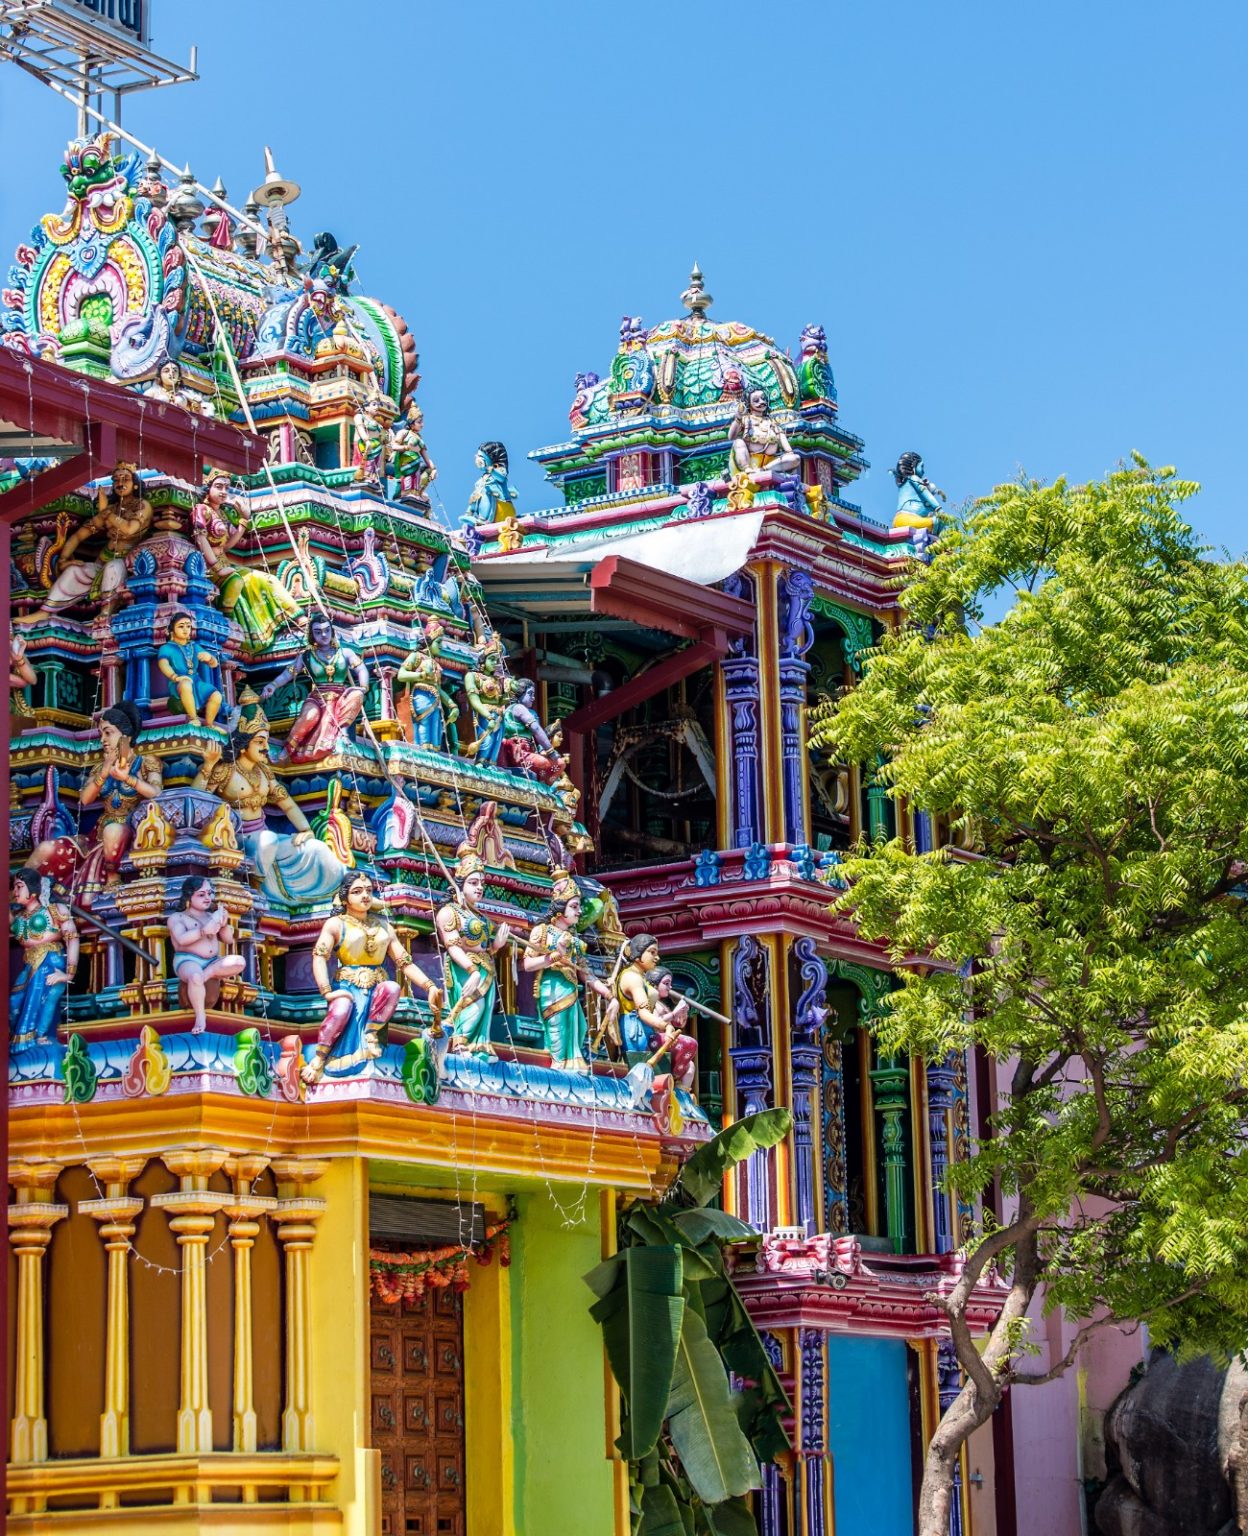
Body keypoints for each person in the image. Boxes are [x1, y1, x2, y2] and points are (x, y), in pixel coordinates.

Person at [304, 871, 442, 1084]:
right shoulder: (336, 924)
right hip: (347, 986)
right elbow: (319, 956)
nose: (365, 896)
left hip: (376, 988)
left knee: (393, 988)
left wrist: (430, 986)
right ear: (345, 896)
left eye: (369, 891)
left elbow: (404, 962)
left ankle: (371, 1034)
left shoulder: (383, 926)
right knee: (341, 1010)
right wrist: (327, 992)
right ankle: (320, 1059)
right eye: (357, 892)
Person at [192, 717, 346, 908]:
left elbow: (287, 804)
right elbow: (196, 801)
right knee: (268, 841)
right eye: (259, 742)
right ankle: (258, 892)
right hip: (238, 839)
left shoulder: (264, 772)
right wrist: (208, 765)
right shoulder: (224, 771)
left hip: (264, 835)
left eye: (266, 741)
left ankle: (336, 893)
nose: (265, 746)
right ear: (243, 745)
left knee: (316, 848)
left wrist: (306, 830)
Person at [30, 701, 162, 903]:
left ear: (125, 736)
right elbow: (84, 799)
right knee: (46, 849)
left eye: (108, 733)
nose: (103, 740)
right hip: (98, 834)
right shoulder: (99, 768)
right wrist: (105, 770)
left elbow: (156, 793)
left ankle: (112, 877)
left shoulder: (146, 762)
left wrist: (128, 779)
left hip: (132, 830)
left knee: (113, 831)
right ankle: (18, 895)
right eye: (101, 734)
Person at [23, 463, 153, 623]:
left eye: (125, 479)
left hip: (128, 563)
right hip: (104, 559)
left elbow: (129, 529)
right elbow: (79, 536)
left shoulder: (142, 505)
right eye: (116, 480)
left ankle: (106, 612)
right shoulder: (111, 509)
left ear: (135, 484)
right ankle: (46, 611)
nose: (120, 483)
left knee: (114, 568)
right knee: (74, 571)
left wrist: (106, 514)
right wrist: (64, 559)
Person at [191, 470, 301, 651]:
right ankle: (226, 622)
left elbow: (227, 546)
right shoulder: (201, 510)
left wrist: (244, 520)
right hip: (206, 566)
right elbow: (200, 538)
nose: (223, 492)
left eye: (226, 488)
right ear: (208, 488)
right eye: (218, 487)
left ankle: (299, 619)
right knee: (235, 581)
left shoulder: (223, 514)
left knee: (268, 579)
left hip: (224, 562)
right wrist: (217, 567)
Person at [524, 876, 615, 1072]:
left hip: (572, 994)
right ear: (560, 907)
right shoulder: (542, 931)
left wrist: (608, 995)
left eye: (579, 906)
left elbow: (586, 974)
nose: (579, 911)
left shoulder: (574, 940)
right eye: (574, 906)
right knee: (557, 1033)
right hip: (552, 991)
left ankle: (570, 1069)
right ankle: (558, 1068)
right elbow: (528, 963)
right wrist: (551, 958)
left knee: (579, 1030)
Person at [260, 613, 368, 765]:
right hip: (318, 697)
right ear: (312, 635)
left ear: (332, 631)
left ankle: (343, 735)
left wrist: (363, 687)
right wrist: (273, 685)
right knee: (310, 715)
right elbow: (288, 673)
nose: (323, 635)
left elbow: (361, 669)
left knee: (356, 695)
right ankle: (289, 748)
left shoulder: (345, 653)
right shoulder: (307, 656)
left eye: (327, 630)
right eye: (318, 632)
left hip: (340, 696)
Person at [435, 851, 510, 1054]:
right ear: (460, 885)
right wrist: (472, 970)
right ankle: (460, 1044)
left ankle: (477, 1046)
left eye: (481, 884)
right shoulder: (449, 912)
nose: (479, 888)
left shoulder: (480, 916)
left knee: (485, 1008)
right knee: (473, 1008)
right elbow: (452, 946)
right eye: (473, 883)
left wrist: (496, 946)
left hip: (484, 968)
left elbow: (484, 947)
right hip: (465, 970)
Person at [9, 867, 77, 1052]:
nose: (15, 892)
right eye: (14, 887)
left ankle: (39, 1037)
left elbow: (72, 937)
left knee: (41, 998)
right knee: (13, 1004)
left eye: (19, 887)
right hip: (29, 964)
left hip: (50, 961)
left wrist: (68, 974)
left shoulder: (55, 910)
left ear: (32, 889)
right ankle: (19, 1039)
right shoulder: (18, 916)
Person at [168, 876, 246, 1033]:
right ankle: (200, 1018)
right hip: (188, 960)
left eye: (209, 894)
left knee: (239, 961)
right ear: (189, 896)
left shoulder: (211, 916)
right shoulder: (177, 918)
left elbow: (228, 940)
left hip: (212, 963)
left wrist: (223, 924)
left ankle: (205, 976)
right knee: (195, 977)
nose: (207, 898)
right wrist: (204, 931)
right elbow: (182, 940)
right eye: (201, 894)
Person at [396, 618, 460, 750]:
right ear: (429, 642)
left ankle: (433, 752)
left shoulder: (436, 664)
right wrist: (421, 675)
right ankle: (423, 749)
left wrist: (452, 705)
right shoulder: (417, 656)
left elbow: (438, 688)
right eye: (439, 642)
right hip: (421, 695)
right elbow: (401, 675)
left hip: (435, 697)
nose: (441, 646)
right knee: (424, 721)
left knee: (436, 724)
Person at [614, 932, 677, 1063]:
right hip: (635, 1030)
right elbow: (643, 1012)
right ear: (637, 953)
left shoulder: (641, 977)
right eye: (652, 952)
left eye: (656, 953)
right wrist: (665, 1026)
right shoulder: (632, 978)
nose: (657, 957)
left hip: (645, 1029)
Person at [156, 611, 224, 727]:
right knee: (186, 684)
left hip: (196, 682)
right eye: (181, 626)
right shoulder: (166, 648)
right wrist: (175, 677)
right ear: (172, 629)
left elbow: (214, 664)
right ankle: (193, 718)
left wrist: (210, 659)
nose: (185, 629)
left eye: (188, 626)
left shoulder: (194, 646)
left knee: (216, 695)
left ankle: (209, 724)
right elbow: (163, 664)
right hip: (178, 683)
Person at [498, 678, 563, 783]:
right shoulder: (519, 708)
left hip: (524, 751)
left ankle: (544, 785)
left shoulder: (518, 710)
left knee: (553, 766)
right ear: (520, 693)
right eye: (530, 694)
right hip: (519, 753)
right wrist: (550, 751)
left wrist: (542, 749)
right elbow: (536, 729)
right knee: (559, 763)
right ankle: (545, 787)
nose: (533, 698)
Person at [728, 389, 799, 477]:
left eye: (763, 398)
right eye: (756, 400)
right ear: (748, 404)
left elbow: (789, 452)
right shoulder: (745, 420)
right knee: (738, 442)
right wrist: (738, 417)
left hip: (770, 466)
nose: (761, 402)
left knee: (795, 458)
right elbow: (731, 437)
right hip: (748, 465)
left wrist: (788, 455)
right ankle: (747, 469)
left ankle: (763, 470)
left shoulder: (772, 424)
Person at [462, 637, 507, 764]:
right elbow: (474, 700)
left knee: (496, 741)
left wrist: (507, 697)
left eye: (497, 660)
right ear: (483, 659)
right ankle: (480, 762)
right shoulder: (473, 676)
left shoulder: (498, 681)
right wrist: (488, 716)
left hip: (498, 717)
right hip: (483, 715)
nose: (495, 663)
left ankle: (490, 763)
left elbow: (500, 701)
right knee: (486, 741)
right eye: (492, 659)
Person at [463, 441, 517, 528]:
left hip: (503, 509)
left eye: (481, 456)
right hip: (492, 511)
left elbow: (501, 477)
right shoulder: (483, 478)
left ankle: (482, 520)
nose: (477, 458)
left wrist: (490, 469)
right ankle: (469, 513)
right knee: (476, 493)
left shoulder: (499, 471)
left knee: (485, 493)